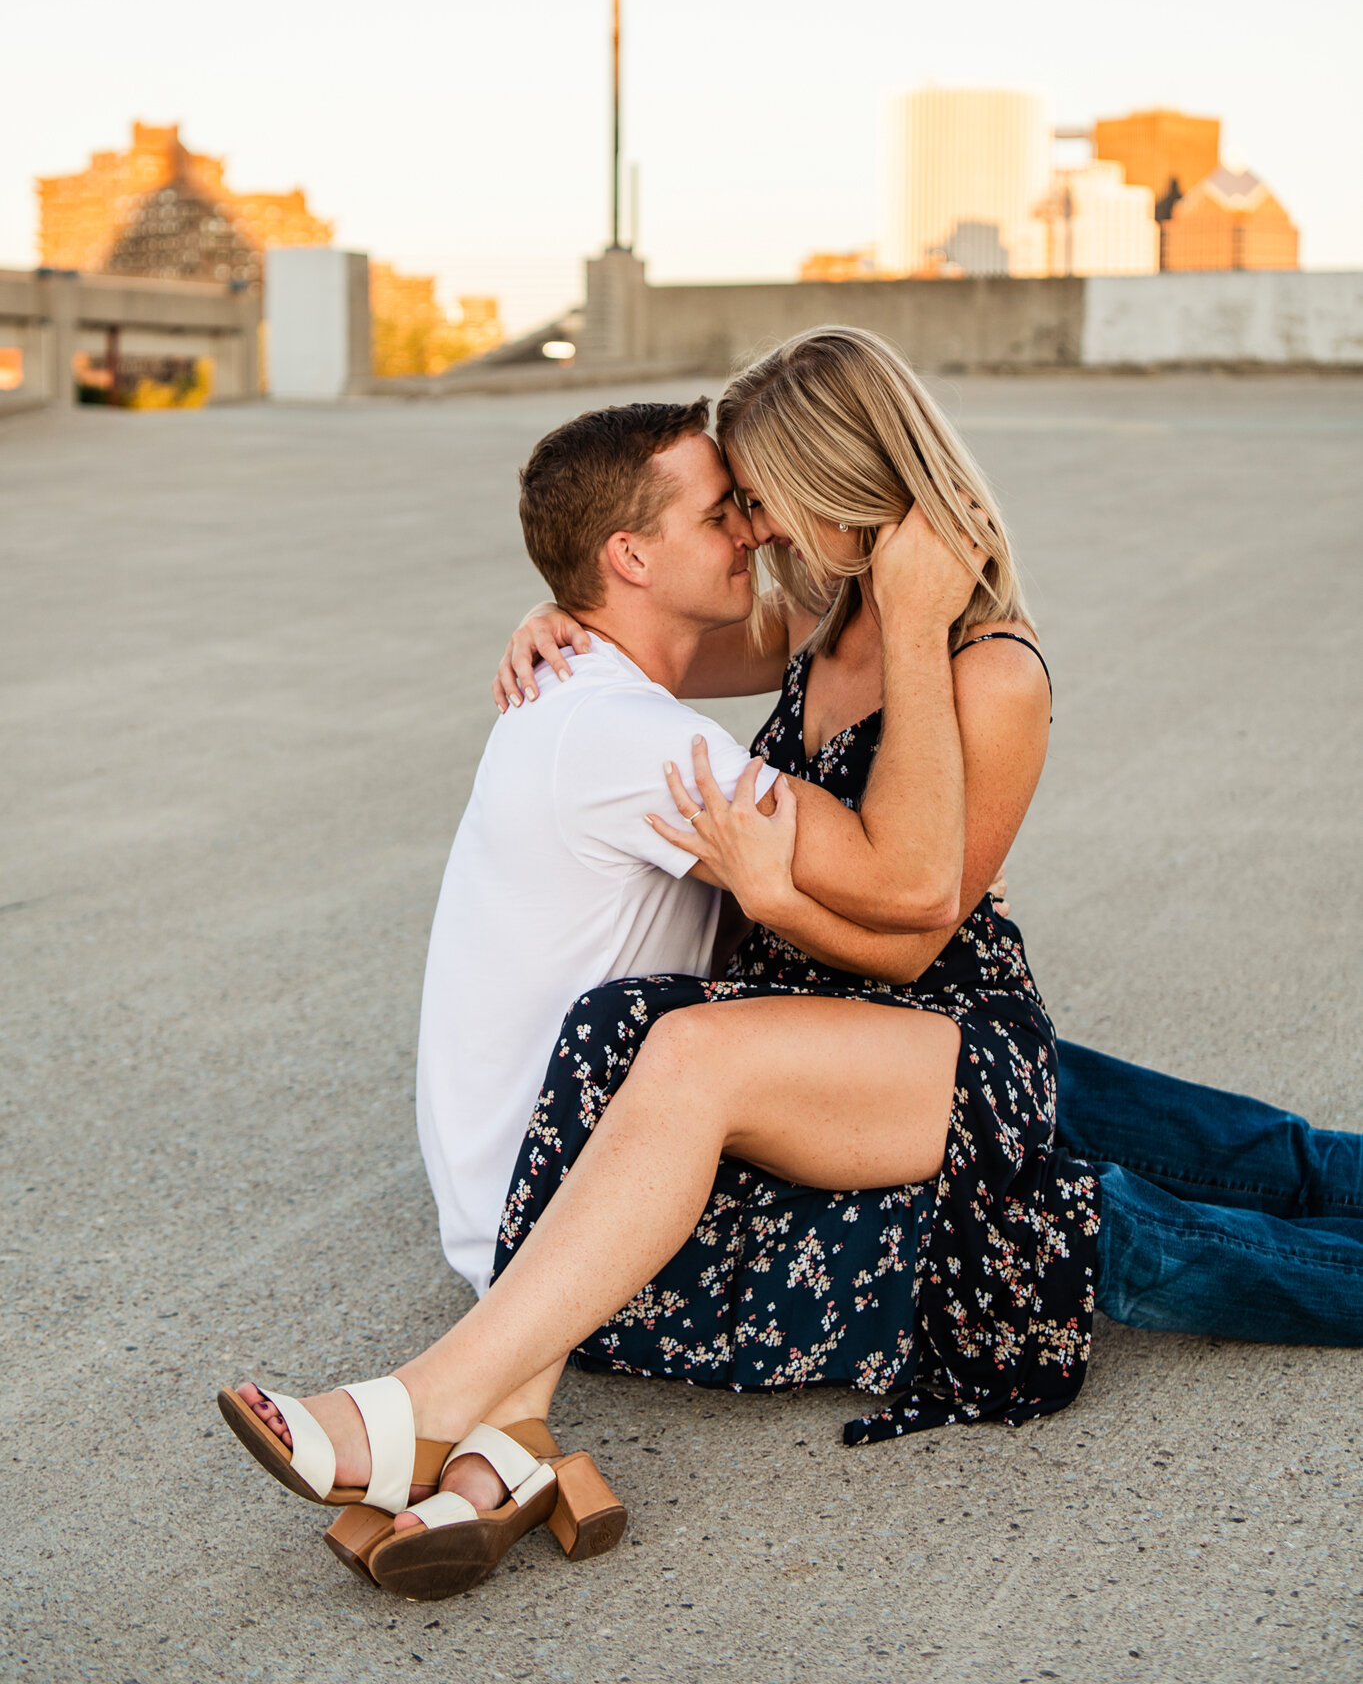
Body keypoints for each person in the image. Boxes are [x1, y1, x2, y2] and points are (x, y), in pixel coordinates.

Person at [220, 328, 1363, 1604]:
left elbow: (921, 905)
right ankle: (495, 1425)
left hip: (933, 1029)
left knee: (1252, 1166)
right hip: (819, 1036)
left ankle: (446, 1409)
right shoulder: (821, 619)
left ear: (835, 479)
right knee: (1108, 1205)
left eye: (760, 496)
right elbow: (642, 648)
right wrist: (563, 610)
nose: (755, 530)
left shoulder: (989, 668)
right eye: (732, 507)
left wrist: (903, 657)